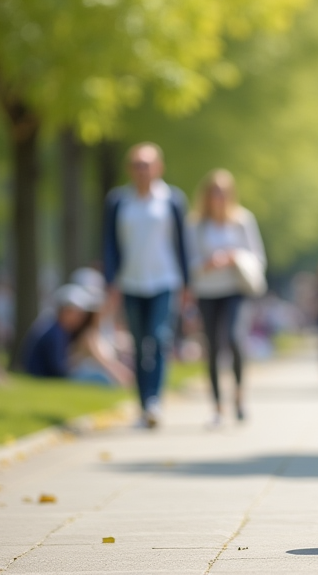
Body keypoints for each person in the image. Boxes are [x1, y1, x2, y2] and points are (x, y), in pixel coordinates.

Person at [103, 142, 192, 428]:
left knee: (158, 338)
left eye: (147, 164)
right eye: (137, 165)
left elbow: (182, 245)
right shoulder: (118, 201)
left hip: (165, 280)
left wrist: (188, 283)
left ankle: (155, 400)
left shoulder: (172, 200)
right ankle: (143, 404)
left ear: (158, 167)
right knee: (140, 344)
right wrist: (111, 280)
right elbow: (109, 243)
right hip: (131, 281)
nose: (142, 170)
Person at [190, 169, 266, 424]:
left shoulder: (243, 220)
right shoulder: (196, 225)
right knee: (211, 346)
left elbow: (258, 258)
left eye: (223, 192)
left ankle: (239, 394)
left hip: (235, 289)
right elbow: (188, 262)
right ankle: (216, 405)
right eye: (214, 192)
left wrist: (235, 257)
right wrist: (208, 263)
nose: (219, 197)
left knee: (234, 338)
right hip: (208, 290)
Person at [22, 284, 132, 385]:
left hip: (43, 374)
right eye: (77, 313)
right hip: (41, 376)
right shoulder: (55, 332)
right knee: (100, 377)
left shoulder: (56, 328)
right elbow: (58, 369)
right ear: (66, 311)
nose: (80, 318)